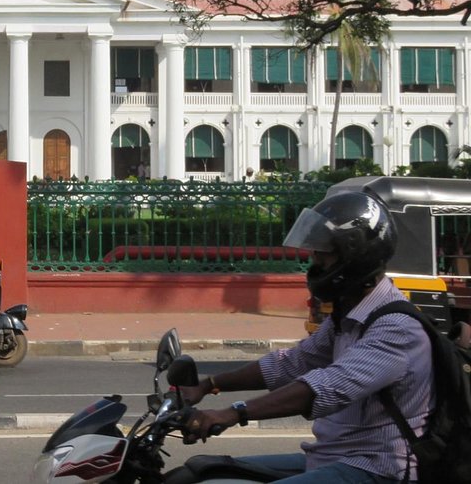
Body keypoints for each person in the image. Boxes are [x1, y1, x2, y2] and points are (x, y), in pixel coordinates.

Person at [178, 191, 433, 484]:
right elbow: (292, 364)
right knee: (201, 473)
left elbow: (323, 388)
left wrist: (232, 414)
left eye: (325, 251)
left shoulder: (396, 328)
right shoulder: (348, 314)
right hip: (333, 457)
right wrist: (209, 384)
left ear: (357, 255)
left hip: (379, 468)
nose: (315, 260)